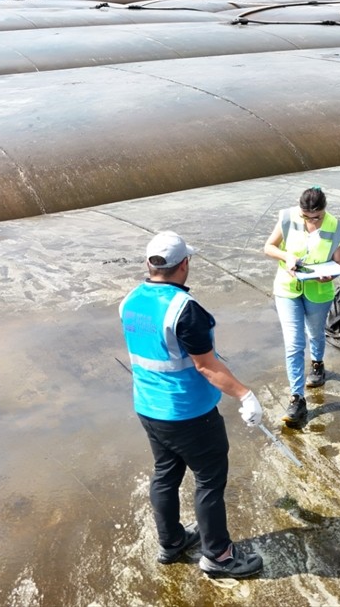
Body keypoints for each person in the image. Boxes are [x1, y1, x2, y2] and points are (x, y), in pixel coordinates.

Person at [120, 230, 265, 579]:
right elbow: (207, 366)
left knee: (166, 474)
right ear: (183, 265)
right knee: (210, 480)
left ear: (149, 265)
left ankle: (171, 543)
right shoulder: (185, 310)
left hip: (149, 408)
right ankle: (218, 555)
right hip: (188, 413)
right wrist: (245, 394)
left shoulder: (130, 301)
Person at [262, 186, 340, 428]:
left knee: (315, 332)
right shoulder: (288, 217)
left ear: (324, 210)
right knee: (294, 342)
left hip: (319, 291)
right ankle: (297, 398)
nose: (311, 220)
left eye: (316, 217)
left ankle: (318, 363)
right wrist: (286, 257)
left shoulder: (336, 226)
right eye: (306, 216)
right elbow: (269, 247)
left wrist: (328, 276)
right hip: (288, 288)